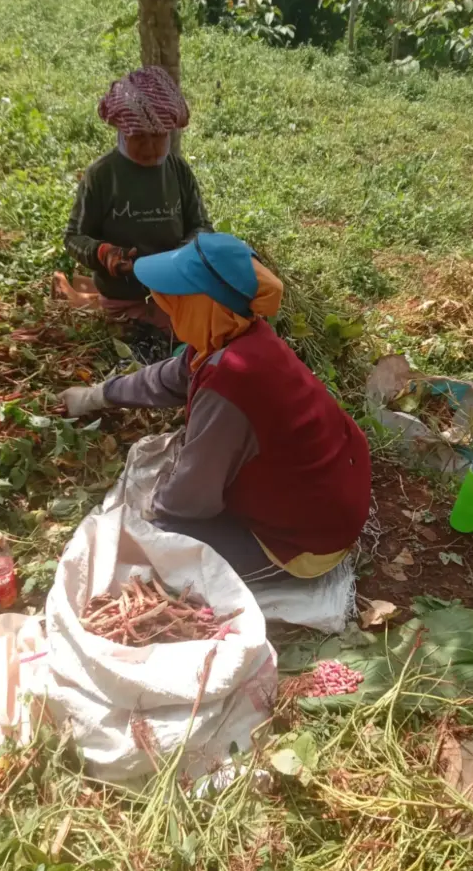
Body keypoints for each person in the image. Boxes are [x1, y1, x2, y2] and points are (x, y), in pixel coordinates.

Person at [60, 233, 371, 583]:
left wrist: (151, 508)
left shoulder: (231, 383)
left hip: (307, 542)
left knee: (153, 545)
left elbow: (191, 501)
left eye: (172, 298)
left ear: (201, 305)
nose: (161, 306)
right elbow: (166, 379)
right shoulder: (238, 334)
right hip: (334, 489)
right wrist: (96, 396)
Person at [53, 66, 213, 332]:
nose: (150, 148)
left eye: (159, 137)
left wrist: (183, 253)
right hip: (122, 299)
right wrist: (105, 254)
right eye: (138, 137)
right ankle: (86, 297)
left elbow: (203, 227)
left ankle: (80, 294)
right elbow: (73, 238)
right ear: (122, 132)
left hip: (174, 294)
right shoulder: (102, 175)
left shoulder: (178, 171)